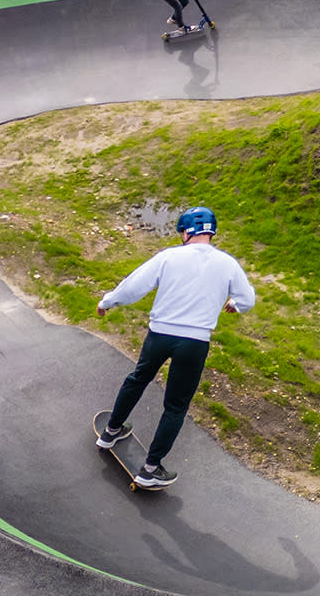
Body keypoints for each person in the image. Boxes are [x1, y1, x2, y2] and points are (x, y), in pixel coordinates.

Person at [95, 206, 256, 487]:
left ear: (185, 232)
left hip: (160, 335)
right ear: (211, 231)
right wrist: (235, 305)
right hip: (195, 343)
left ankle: (110, 432)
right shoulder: (228, 263)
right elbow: (248, 299)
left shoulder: (169, 257)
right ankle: (150, 470)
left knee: (138, 379)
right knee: (176, 406)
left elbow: (135, 286)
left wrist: (107, 301)